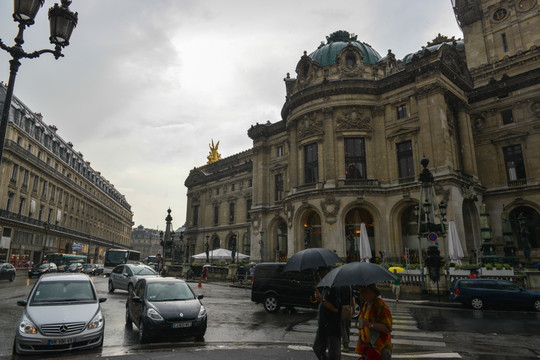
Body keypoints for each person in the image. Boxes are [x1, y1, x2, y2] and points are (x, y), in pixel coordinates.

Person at [356, 284, 392, 360]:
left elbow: (388, 328)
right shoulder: (366, 305)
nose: (362, 295)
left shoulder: (381, 306)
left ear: (372, 292)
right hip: (367, 348)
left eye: (364, 292)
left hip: (379, 349)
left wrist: (369, 324)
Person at [313, 267, 341, 360]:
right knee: (317, 348)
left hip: (332, 328)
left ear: (327, 271)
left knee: (333, 355)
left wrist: (322, 300)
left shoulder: (334, 287)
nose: (320, 275)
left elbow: (336, 309)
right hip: (323, 326)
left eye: (321, 272)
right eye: (319, 273)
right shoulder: (325, 287)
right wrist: (319, 299)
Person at [340, 285, 355, 352]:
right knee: (347, 327)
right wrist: (354, 309)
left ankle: (345, 345)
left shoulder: (340, 286)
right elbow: (353, 298)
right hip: (349, 308)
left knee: (343, 327)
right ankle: (347, 343)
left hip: (342, 308)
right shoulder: (349, 287)